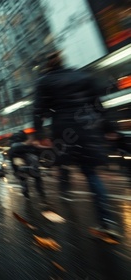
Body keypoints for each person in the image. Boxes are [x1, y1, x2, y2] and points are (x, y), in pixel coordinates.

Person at [33, 51, 119, 235]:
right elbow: (98, 104)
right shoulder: (81, 75)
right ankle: (106, 221)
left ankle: (63, 192)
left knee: (59, 164)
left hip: (64, 130)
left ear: (48, 65)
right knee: (91, 173)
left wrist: (39, 134)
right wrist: (109, 128)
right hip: (87, 125)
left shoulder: (45, 81)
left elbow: (38, 110)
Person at [8, 130, 46, 201]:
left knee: (23, 180)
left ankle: (26, 194)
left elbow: (12, 162)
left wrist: (15, 171)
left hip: (21, 167)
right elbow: (37, 153)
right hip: (32, 166)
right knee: (37, 178)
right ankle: (41, 194)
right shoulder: (28, 144)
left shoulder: (13, 148)